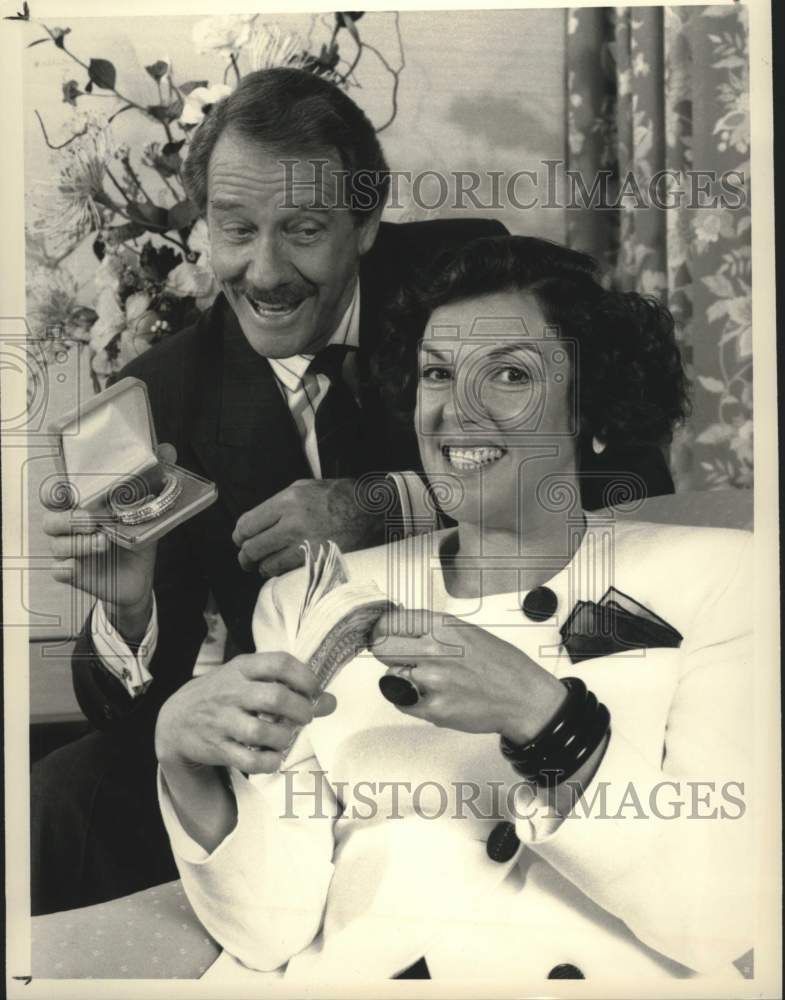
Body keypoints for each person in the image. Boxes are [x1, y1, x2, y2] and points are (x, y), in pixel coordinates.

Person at [32, 68, 674, 916]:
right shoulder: (162, 392)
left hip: (535, 654)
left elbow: (633, 471)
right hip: (314, 728)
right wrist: (127, 615)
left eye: (303, 230)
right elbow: (135, 710)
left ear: (367, 222)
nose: (263, 270)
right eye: (234, 230)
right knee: (58, 798)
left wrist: (385, 503)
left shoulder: (472, 274)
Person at [145, 236, 753, 983]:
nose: (455, 410)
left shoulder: (723, 576)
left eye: (508, 374)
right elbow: (268, 931)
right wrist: (182, 757)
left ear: (590, 407)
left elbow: (721, 916)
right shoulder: (310, 596)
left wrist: (544, 718)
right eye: (437, 373)